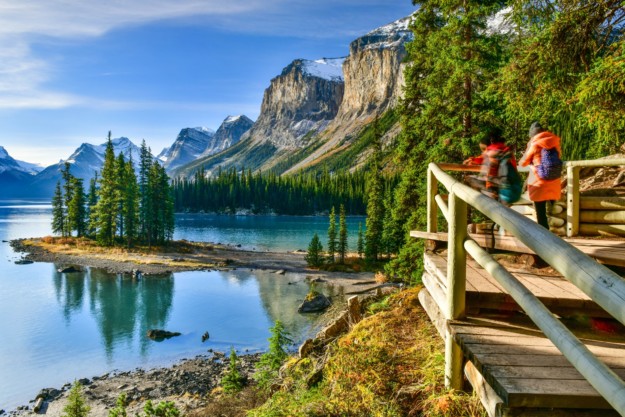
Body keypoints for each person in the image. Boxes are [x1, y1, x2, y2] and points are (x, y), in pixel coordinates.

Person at [519, 122, 562, 229]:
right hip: (554, 180)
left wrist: (528, 162)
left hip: (538, 181)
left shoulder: (534, 143)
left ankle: (544, 238)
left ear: (532, 134)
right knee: (554, 210)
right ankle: (555, 233)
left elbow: (523, 162)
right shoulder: (554, 141)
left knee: (541, 213)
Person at [479, 128, 519, 205]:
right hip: (505, 184)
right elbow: (513, 166)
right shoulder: (506, 150)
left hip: (492, 183)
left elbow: (483, 159)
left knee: (493, 208)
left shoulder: (491, 151)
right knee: (504, 209)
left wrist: (472, 160)